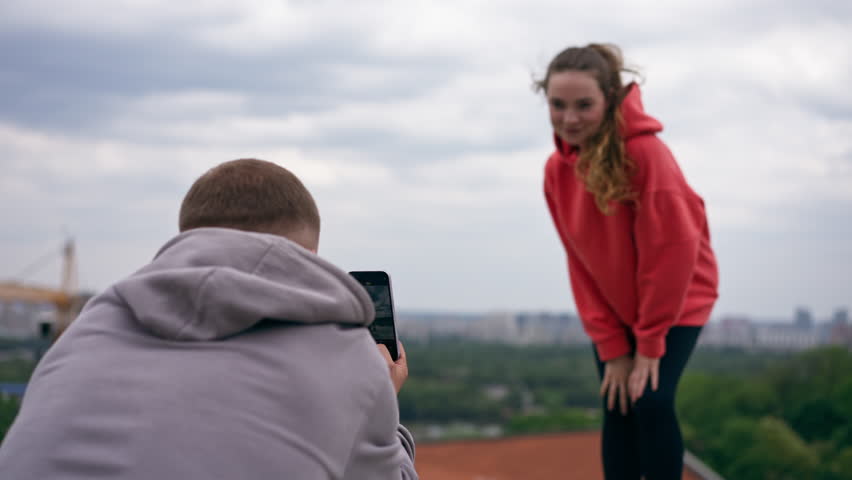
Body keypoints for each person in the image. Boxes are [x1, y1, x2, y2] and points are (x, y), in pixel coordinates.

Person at [0, 158, 419, 479]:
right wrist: (384, 405)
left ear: (188, 238)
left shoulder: (82, 335)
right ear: (307, 258)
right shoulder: (345, 356)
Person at [537, 44, 719, 479]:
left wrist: (651, 342)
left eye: (584, 105)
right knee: (616, 402)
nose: (570, 117)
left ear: (610, 99)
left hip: (676, 301)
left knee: (651, 401)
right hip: (616, 307)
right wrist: (612, 345)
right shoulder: (555, 171)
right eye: (558, 105)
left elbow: (671, 255)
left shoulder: (646, 155)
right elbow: (579, 262)